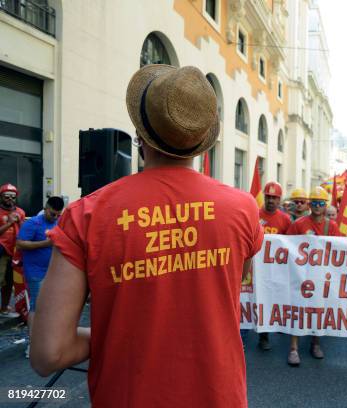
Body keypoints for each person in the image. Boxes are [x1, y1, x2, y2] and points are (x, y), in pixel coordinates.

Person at [31, 65, 264, 407]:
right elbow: (237, 280)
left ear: (139, 135)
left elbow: (48, 353)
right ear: (202, 144)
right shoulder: (243, 209)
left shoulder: (87, 215)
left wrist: (123, 333)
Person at [286, 186, 341, 366]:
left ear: (325, 205)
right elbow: (286, 246)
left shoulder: (331, 226)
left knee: (319, 310)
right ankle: (293, 348)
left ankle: (315, 343)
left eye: (320, 203)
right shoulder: (299, 224)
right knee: (297, 310)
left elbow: (340, 250)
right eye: (314, 203)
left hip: (321, 275)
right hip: (300, 275)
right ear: (309, 204)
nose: (317, 206)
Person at [16, 196, 64, 358]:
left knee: (53, 307)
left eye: (58, 214)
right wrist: (45, 244)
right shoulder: (32, 223)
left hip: (55, 271)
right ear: (45, 208)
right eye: (53, 214)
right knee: (38, 307)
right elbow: (21, 244)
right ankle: (33, 344)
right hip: (36, 272)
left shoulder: (60, 222)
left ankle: (48, 341)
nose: (55, 217)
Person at [257, 181, 291, 351]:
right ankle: (263, 336)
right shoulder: (254, 214)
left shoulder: (285, 219)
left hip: (277, 268)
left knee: (277, 297)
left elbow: (291, 245)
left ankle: (279, 325)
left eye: (274, 198)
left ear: (279, 200)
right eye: (268, 197)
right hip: (258, 269)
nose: (271, 201)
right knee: (261, 299)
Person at [0, 183, 26, 317]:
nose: (10, 199)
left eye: (13, 197)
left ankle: (3, 308)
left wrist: (19, 222)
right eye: (6, 196)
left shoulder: (20, 212)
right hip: (1, 251)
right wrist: (9, 223)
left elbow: (24, 231)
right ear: (1, 197)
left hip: (15, 252)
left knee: (9, 282)